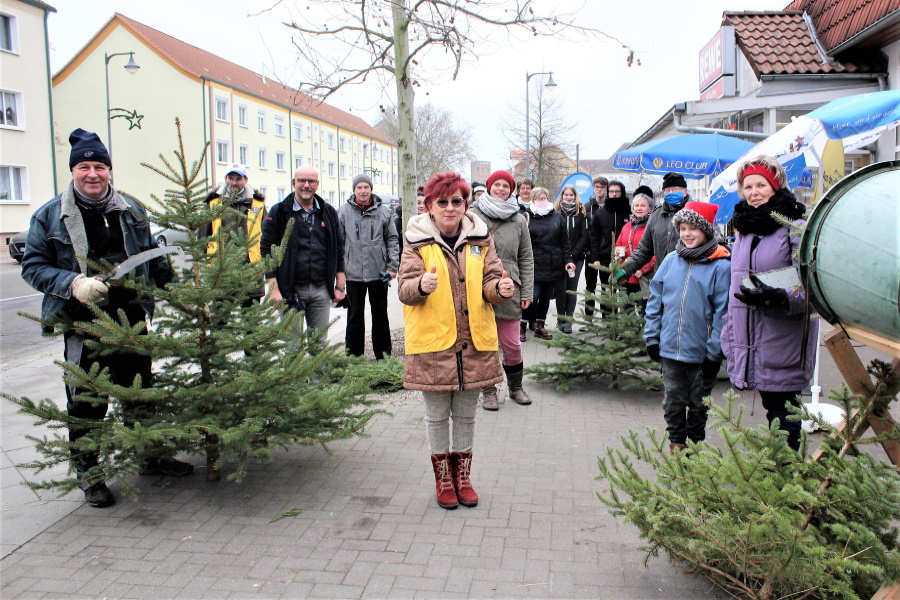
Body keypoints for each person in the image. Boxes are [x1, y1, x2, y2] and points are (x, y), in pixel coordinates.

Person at [21, 129, 191, 508]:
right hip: (84, 321)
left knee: (141, 392)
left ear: (109, 170)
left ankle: (150, 456)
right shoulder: (51, 215)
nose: (92, 173)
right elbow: (33, 266)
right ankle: (90, 474)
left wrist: (181, 297)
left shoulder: (130, 209)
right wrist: (73, 283)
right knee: (86, 403)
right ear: (73, 171)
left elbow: (153, 257)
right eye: (84, 166)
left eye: (100, 166)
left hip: (131, 317)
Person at [399, 171, 514, 509]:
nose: (450, 208)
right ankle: (443, 480)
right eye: (442, 202)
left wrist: (500, 289)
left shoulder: (481, 239)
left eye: (456, 201)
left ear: (465, 204)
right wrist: (421, 286)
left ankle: (463, 477)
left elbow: (492, 280)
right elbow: (405, 290)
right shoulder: (416, 241)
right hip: (433, 346)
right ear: (430, 206)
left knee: (466, 416)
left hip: (474, 344)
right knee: (436, 417)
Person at [720, 156, 817, 453]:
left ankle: (788, 482)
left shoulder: (795, 225)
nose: (754, 192)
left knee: (785, 416)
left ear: (775, 187)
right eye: (747, 186)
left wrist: (782, 297)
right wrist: (729, 330)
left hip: (783, 338)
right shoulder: (744, 229)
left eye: (761, 184)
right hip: (750, 337)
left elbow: (813, 282)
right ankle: (781, 479)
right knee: (773, 412)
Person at [644, 201, 731, 453]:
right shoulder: (671, 260)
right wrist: (652, 337)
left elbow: (722, 313)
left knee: (697, 405)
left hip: (702, 353)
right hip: (669, 348)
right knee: (673, 402)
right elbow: (655, 301)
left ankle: (694, 449)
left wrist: (714, 352)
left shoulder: (720, 265)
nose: (687, 234)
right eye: (682, 228)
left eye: (693, 228)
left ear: (706, 230)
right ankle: (677, 448)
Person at [468, 170, 534, 410]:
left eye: (506, 186)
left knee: (512, 344)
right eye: (497, 184)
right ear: (488, 186)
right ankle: (488, 390)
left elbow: (526, 257)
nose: (501, 189)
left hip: (510, 287)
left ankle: (516, 387)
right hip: (478, 286)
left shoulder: (518, 219)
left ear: (511, 189)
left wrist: (526, 292)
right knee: (485, 343)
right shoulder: (473, 215)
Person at [260, 166, 347, 342]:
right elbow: (267, 250)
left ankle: (320, 372)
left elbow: (338, 247)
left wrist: (340, 285)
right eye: (301, 180)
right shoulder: (279, 212)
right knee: (292, 348)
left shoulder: (328, 212)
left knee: (319, 345)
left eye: (311, 181)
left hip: (321, 289)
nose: (306, 185)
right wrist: (273, 289)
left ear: (317, 184)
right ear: (294, 183)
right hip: (290, 290)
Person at [336, 174, 399, 360]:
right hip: (353, 273)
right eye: (359, 188)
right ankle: (354, 357)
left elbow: (392, 240)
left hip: (379, 273)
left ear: (371, 189)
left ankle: (384, 356)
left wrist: (392, 266)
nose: (363, 191)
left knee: (380, 315)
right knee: (354, 317)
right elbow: (338, 244)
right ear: (354, 190)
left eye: (366, 187)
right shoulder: (343, 212)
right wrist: (339, 271)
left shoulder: (384, 212)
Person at [200, 163, 267, 308]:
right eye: (231, 178)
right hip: (221, 270)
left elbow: (266, 237)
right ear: (226, 179)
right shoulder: (213, 203)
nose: (234, 182)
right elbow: (202, 238)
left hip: (251, 269)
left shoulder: (258, 204)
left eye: (238, 178)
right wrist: (205, 267)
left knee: (251, 323)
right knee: (220, 323)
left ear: (246, 179)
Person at [617, 172, 691, 282]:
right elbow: (644, 249)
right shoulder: (656, 215)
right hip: (662, 279)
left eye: (675, 189)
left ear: (685, 192)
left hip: (689, 279)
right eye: (667, 190)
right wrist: (625, 269)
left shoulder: (696, 212)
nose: (670, 193)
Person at [522, 187, 575, 339]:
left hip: (553, 263)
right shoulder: (526, 216)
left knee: (545, 297)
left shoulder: (557, 217)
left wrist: (568, 260)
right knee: (532, 295)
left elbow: (564, 242)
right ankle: (522, 326)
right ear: (532, 200)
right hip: (533, 263)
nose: (542, 201)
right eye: (538, 198)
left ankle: (540, 326)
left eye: (544, 198)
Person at [590, 179, 631, 314]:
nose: (614, 194)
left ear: (622, 192)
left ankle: (625, 323)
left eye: (617, 191)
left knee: (624, 291)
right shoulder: (601, 213)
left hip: (626, 258)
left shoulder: (629, 212)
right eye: (611, 191)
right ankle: (608, 323)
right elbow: (594, 236)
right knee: (607, 291)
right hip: (605, 257)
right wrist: (596, 257)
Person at [554, 184, 590, 333]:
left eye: (571, 195)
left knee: (572, 290)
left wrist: (573, 254)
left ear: (576, 197)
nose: (569, 197)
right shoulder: (555, 214)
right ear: (561, 196)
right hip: (560, 259)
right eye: (566, 195)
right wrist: (563, 255)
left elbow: (584, 236)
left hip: (576, 258)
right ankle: (560, 320)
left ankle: (568, 321)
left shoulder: (581, 214)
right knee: (560, 290)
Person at [614, 191, 655, 303]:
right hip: (625, 276)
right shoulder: (627, 226)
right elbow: (618, 244)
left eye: (643, 205)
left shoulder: (652, 227)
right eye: (636, 205)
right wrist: (617, 251)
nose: (639, 208)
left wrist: (643, 269)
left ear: (650, 208)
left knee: (644, 312)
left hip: (643, 277)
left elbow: (656, 253)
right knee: (626, 310)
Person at [583, 176, 607, 318]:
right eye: (597, 187)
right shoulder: (587, 207)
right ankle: (588, 317)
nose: (600, 190)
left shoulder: (610, 207)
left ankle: (606, 318)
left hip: (605, 253)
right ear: (593, 188)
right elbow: (584, 231)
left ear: (606, 189)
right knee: (590, 286)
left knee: (606, 287)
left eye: (602, 187)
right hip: (591, 253)